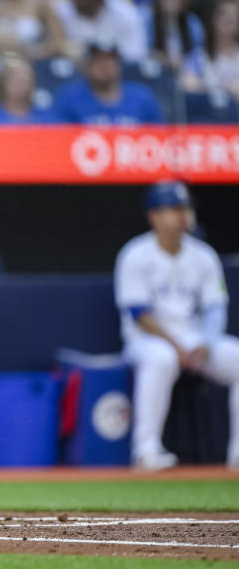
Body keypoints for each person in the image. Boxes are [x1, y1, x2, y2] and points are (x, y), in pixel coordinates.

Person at [114, 181, 239, 470]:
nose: (183, 215)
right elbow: (139, 314)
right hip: (147, 340)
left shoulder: (203, 255)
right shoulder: (135, 254)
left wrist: (207, 342)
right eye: (174, 208)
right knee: (161, 358)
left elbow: (215, 307)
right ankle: (146, 450)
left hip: (195, 339)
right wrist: (177, 345)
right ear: (154, 215)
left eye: (185, 208)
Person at [52, 39, 164, 125]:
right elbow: (60, 138)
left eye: (110, 60)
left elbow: (158, 137)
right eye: (98, 60)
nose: (105, 65)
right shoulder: (70, 97)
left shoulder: (142, 96)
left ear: (119, 65)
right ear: (86, 66)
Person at [0, 53, 53, 124]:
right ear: (4, 82)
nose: (24, 82)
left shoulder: (44, 116)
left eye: (28, 78)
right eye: (17, 79)